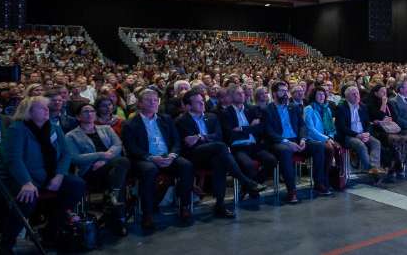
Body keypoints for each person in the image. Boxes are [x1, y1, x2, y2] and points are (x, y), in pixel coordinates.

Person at [0, 96, 85, 254]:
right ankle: (6, 244)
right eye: (42, 108)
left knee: (77, 185)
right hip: (21, 176)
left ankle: (50, 231)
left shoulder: (53, 128)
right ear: (29, 111)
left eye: (47, 107)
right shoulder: (17, 129)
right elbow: (14, 159)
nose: (47, 110)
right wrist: (26, 182)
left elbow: (65, 154)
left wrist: (59, 176)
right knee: (27, 198)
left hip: (48, 175)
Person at [176, 89, 267, 217]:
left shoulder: (211, 117)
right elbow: (188, 143)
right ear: (188, 106)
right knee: (221, 147)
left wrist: (200, 137)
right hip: (194, 156)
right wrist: (205, 138)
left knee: (220, 161)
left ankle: (220, 205)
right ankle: (245, 181)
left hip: (214, 153)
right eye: (198, 103)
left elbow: (218, 135)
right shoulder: (181, 121)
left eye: (202, 101)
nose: (202, 104)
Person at [121, 88, 193, 231]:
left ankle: (184, 206)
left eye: (155, 100)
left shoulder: (165, 118)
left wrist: (172, 155)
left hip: (167, 156)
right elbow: (132, 148)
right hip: (145, 159)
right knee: (150, 170)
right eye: (149, 100)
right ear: (140, 103)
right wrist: (152, 158)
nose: (154, 103)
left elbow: (176, 141)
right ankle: (147, 214)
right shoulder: (130, 123)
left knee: (186, 165)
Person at [66, 103, 130, 235]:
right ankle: (119, 217)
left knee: (120, 170)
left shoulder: (106, 128)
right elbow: (75, 158)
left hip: (110, 169)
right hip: (90, 172)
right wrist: (100, 155)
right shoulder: (71, 136)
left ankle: (114, 201)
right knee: (121, 165)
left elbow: (117, 145)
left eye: (92, 111)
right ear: (78, 117)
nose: (90, 114)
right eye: (85, 111)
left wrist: (104, 160)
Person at [263, 81, 327, 203]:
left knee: (319, 146)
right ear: (274, 93)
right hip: (279, 142)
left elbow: (302, 126)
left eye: (286, 91)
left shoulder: (293, 107)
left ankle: (319, 183)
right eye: (282, 91)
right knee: (286, 151)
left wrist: (303, 139)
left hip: (297, 140)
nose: (285, 94)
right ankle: (291, 191)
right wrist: (286, 142)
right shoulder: (268, 109)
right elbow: (269, 132)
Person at [217, 85, 278, 200]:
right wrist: (250, 127)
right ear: (230, 97)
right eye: (238, 93)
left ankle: (249, 186)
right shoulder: (225, 113)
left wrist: (242, 129)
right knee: (249, 165)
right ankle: (252, 188)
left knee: (272, 160)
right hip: (238, 147)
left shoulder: (252, 109)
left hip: (254, 145)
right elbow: (230, 135)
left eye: (242, 93)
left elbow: (260, 128)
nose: (242, 95)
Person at [334, 85, 385, 178]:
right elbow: (342, 127)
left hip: (363, 133)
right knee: (360, 145)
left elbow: (368, 123)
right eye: (353, 94)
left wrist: (367, 133)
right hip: (349, 136)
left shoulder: (363, 106)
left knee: (376, 143)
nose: (357, 96)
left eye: (357, 93)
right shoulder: (341, 108)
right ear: (347, 97)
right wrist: (357, 135)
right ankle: (371, 169)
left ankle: (374, 167)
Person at [303, 86, 341, 193]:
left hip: (326, 138)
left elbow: (331, 128)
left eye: (323, 94)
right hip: (313, 139)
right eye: (319, 94)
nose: (322, 96)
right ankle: (321, 181)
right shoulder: (309, 109)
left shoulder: (327, 108)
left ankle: (333, 179)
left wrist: (330, 137)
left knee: (337, 147)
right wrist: (326, 139)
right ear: (314, 96)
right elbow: (310, 129)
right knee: (328, 148)